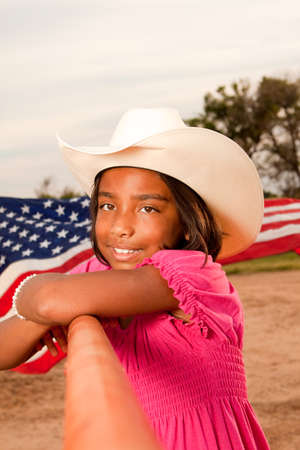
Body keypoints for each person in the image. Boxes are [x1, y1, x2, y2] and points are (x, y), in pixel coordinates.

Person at [0, 108, 270, 449]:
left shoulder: (194, 274)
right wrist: (46, 303)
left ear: (187, 221)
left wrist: (37, 294)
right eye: (107, 206)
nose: (120, 227)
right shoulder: (95, 277)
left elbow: (46, 299)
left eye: (148, 208)